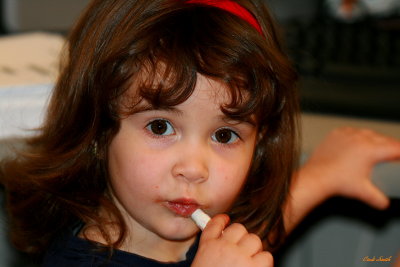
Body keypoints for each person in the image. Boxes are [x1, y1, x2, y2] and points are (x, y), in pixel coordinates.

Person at [1, 0, 399, 266]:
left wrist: (321, 175)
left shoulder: (180, 223)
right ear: (98, 130)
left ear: (259, 145)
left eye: (224, 136)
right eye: (161, 126)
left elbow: (245, 239)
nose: (194, 168)